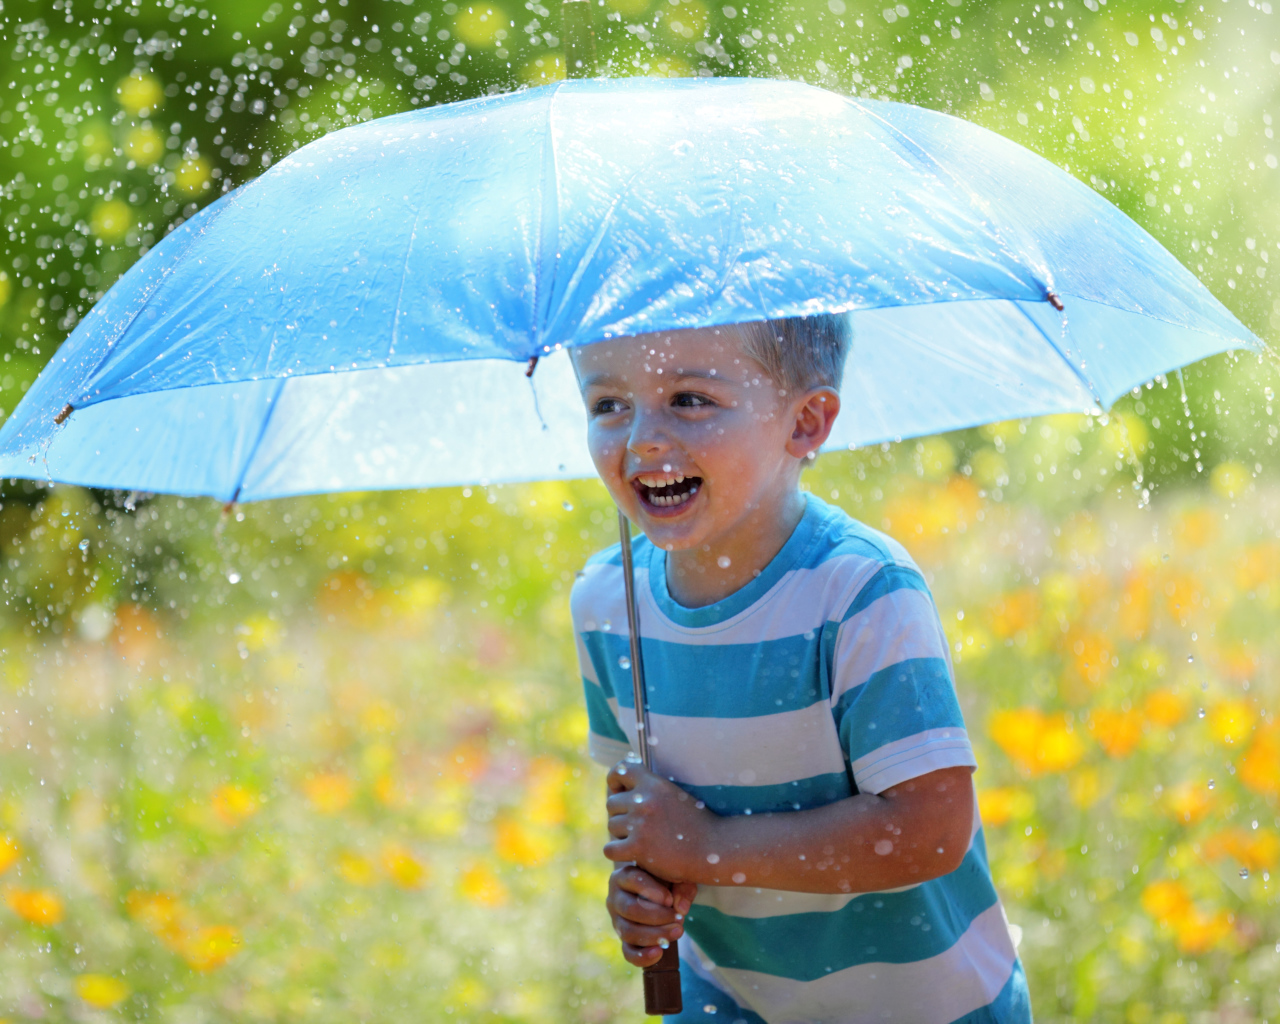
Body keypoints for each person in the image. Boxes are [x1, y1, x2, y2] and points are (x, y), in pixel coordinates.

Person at [568, 314, 1032, 1023]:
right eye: (609, 404)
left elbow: (930, 829)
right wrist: (645, 886)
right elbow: (646, 810)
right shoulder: (608, 600)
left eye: (689, 399)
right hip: (730, 997)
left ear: (805, 422)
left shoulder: (859, 591)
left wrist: (709, 847)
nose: (642, 440)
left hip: (918, 1005)